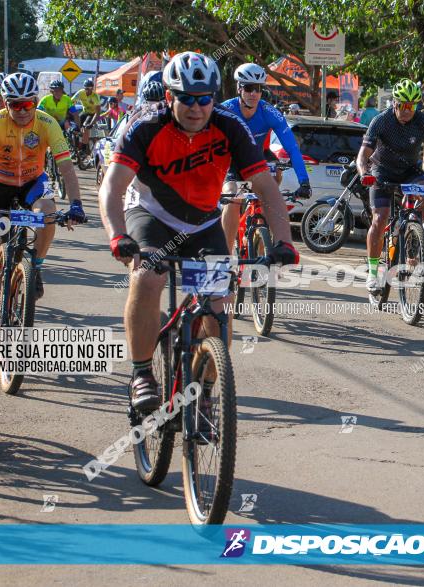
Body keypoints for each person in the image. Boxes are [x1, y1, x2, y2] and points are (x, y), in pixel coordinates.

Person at [97, 52, 298, 419]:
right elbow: (111, 188)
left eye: (204, 98)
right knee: (148, 277)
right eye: (186, 98)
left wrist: (284, 241)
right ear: (169, 97)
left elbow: (267, 189)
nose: (195, 107)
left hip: (203, 222)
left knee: (218, 306)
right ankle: (142, 373)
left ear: (214, 98)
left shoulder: (229, 126)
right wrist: (117, 236)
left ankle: (203, 390)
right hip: (151, 214)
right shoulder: (145, 125)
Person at [0, 72, 86, 334]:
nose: (22, 111)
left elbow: (66, 167)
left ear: (36, 101)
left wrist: (77, 204)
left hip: (33, 182)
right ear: (5, 103)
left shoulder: (46, 123)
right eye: (15, 104)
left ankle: (37, 265)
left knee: (48, 212)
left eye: (28, 104)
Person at [356, 78, 424, 294]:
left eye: (411, 106)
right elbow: (363, 155)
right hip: (381, 171)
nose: (407, 111)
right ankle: (373, 273)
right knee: (379, 218)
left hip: (410, 172)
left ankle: (410, 229)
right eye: (403, 105)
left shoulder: (423, 121)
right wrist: (364, 173)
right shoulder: (381, 121)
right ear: (394, 103)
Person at [220, 62, 311, 253]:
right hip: (233, 160)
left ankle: (261, 231)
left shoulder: (269, 112)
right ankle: (226, 257)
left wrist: (304, 181)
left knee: (276, 175)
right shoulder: (225, 110)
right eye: (249, 88)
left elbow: (292, 148)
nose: (254, 93)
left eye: (258, 89)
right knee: (233, 199)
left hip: (257, 158)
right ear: (239, 88)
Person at [71, 78, 101, 152]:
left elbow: (98, 113)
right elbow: (70, 103)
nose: (88, 91)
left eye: (90, 89)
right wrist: (73, 112)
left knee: (86, 125)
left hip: (92, 114)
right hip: (84, 112)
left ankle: (84, 148)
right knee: (75, 127)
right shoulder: (80, 93)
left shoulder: (95, 96)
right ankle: (76, 145)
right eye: (86, 89)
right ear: (84, 88)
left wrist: (91, 123)